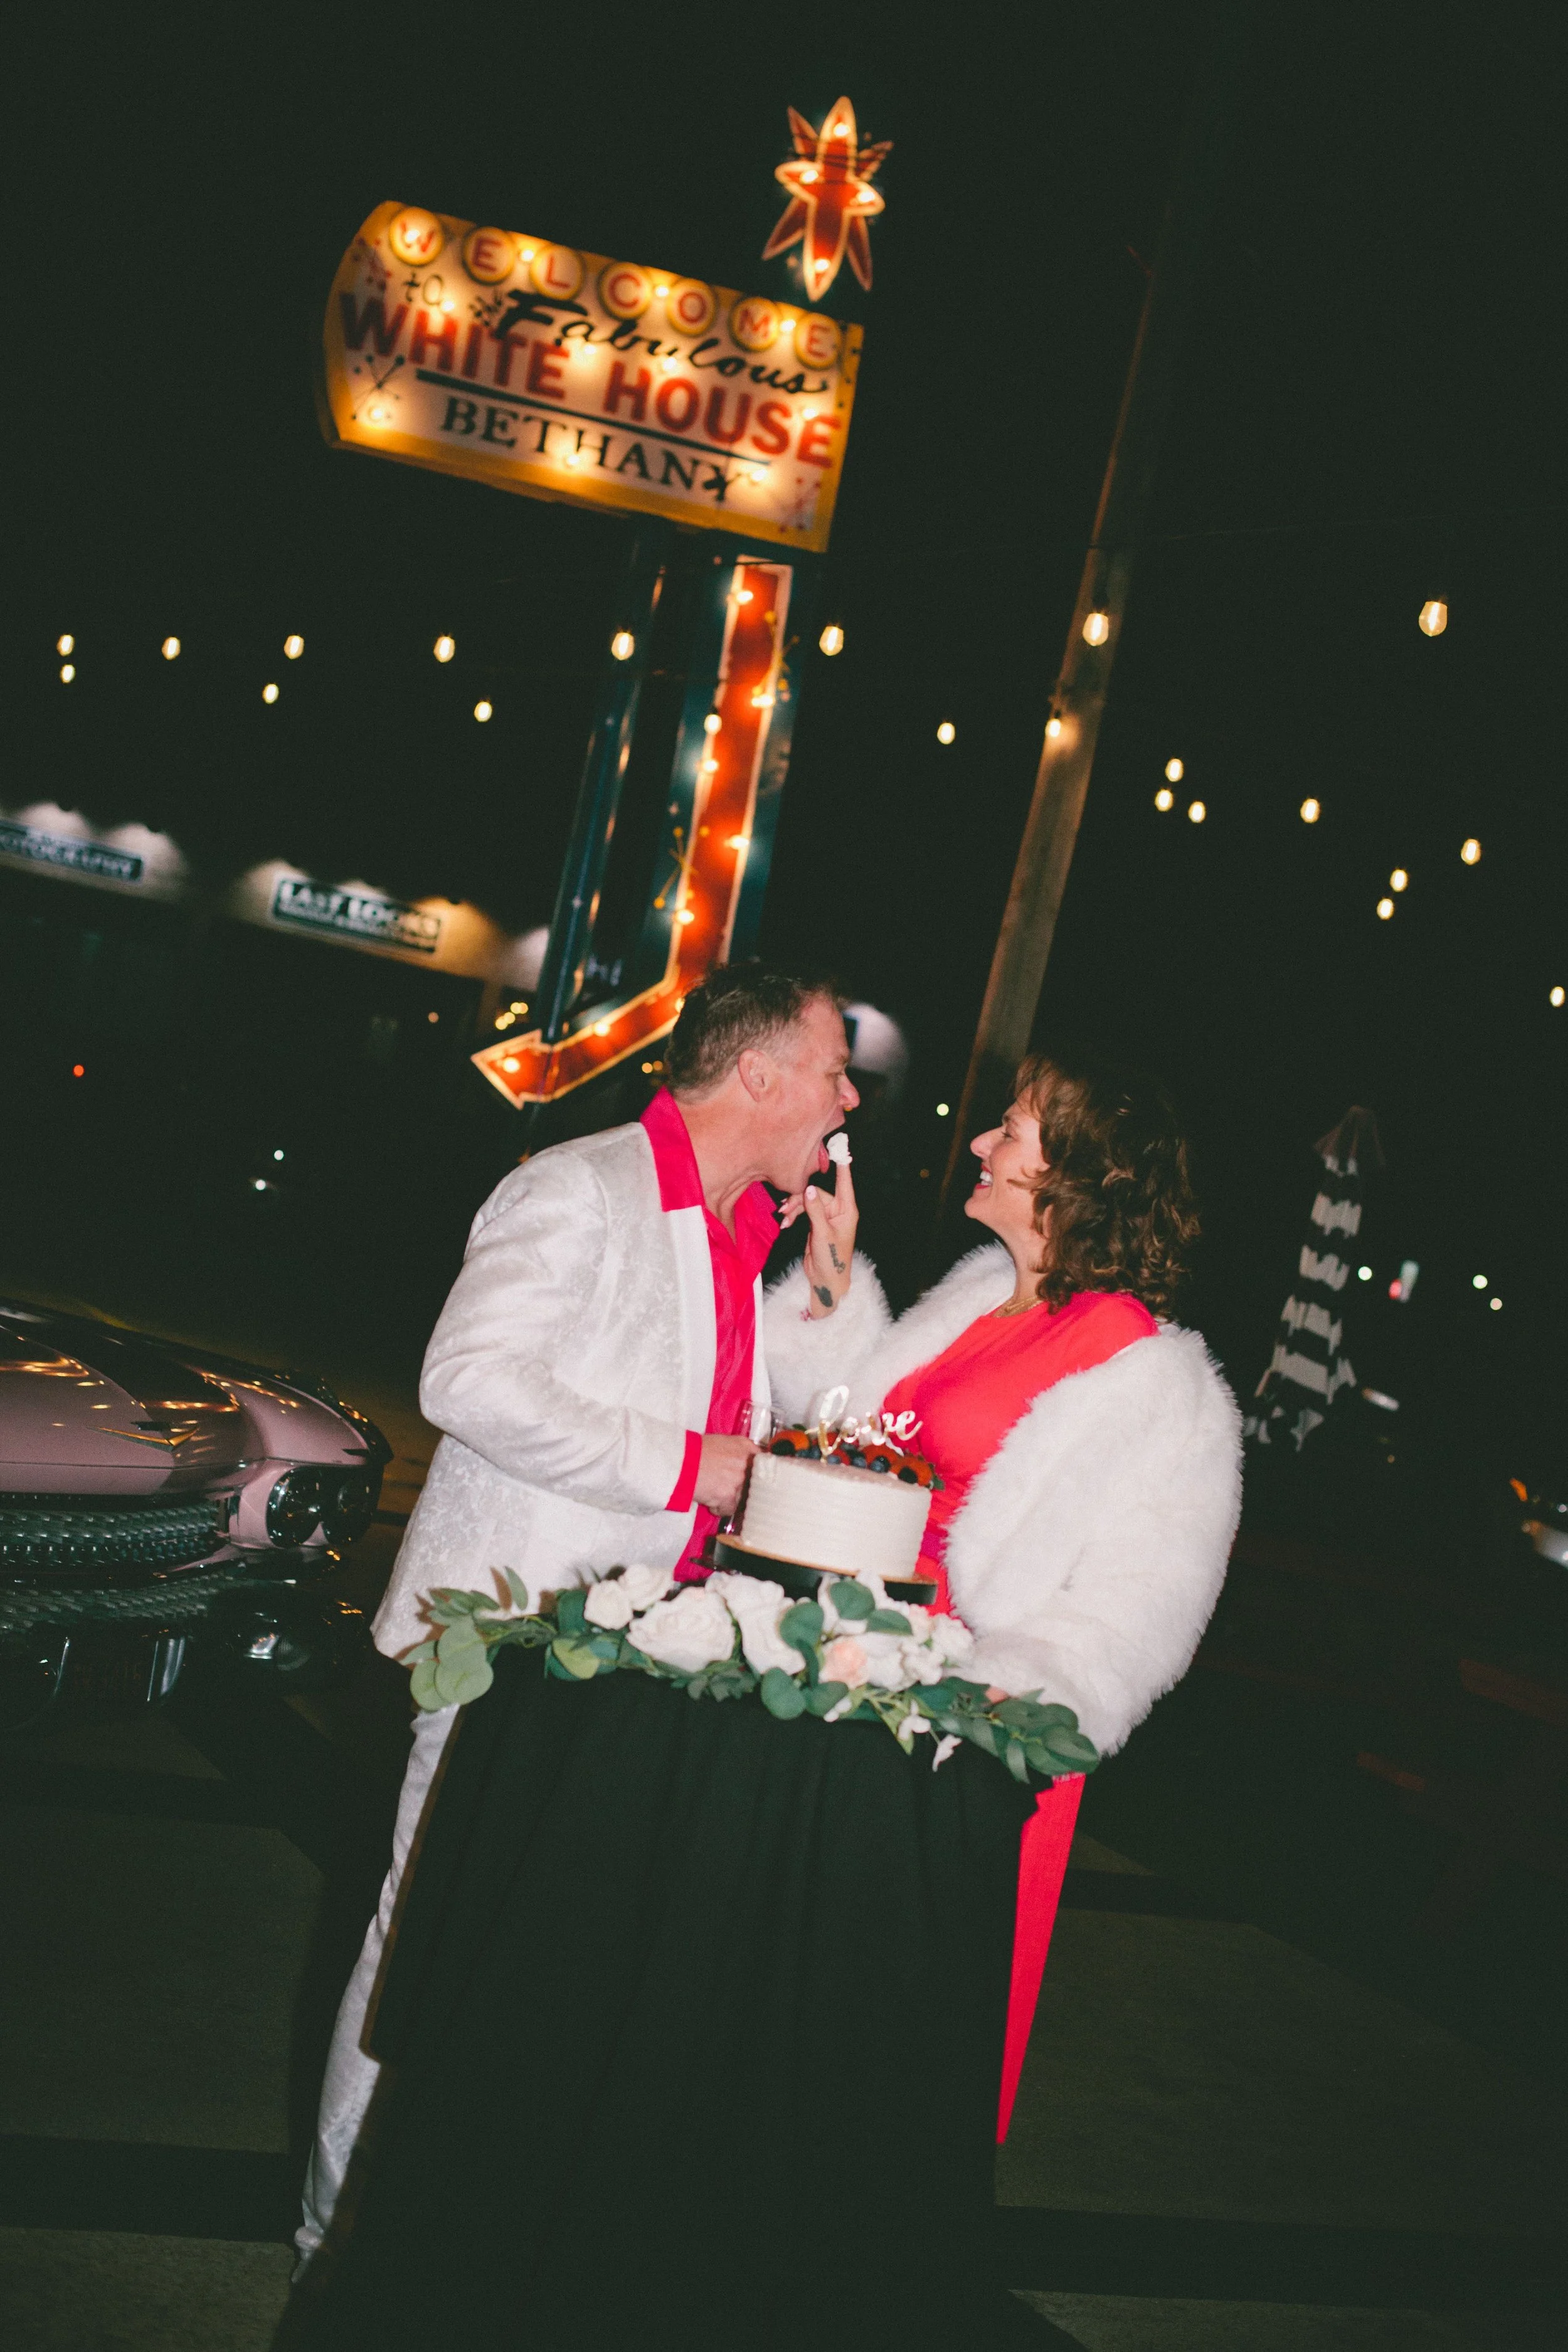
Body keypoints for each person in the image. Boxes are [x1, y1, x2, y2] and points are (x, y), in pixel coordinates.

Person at [283, 1042, 1239, 2352]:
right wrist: (836, 1293)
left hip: (941, 1756)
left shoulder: (1153, 1380)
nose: (981, 1144)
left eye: (1012, 1131)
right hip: (828, 1719)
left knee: (866, 2068)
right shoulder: (972, 1300)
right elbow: (843, 1439)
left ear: (1080, 1173)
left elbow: (1126, 1623)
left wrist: (968, 1711)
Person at [292, 963, 859, 2270]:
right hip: (499, 1641)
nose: (845, 1100)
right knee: (419, 1943)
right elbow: (466, 1377)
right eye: (833, 1068)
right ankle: (336, 2240)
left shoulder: (742, 1229)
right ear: (757, 1074)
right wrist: (688, 1465)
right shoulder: (578, 1185)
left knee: (527, 1959)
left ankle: (451, 2233)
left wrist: (825, 1289)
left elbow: (786, 1436)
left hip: (631, 1658)